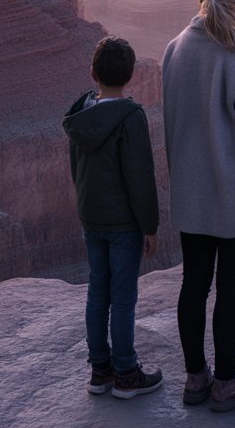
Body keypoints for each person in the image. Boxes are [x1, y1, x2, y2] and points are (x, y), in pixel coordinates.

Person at [162, 0, 235, 412]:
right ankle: (226, 384)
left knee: (193, 284)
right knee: (230, 291)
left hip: (190, 192)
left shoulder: (174, 49)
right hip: (233, 197)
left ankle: (195, 378)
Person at [63, 35, 162, 399]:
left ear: (93, 73)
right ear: (131, 76)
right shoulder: (130, 116)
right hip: (123, 225)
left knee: (97, 292)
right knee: (122, 297)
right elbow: (140, 177)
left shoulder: (81, 113)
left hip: (92, 219)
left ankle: (99, 370)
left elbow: (77, 169)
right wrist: (149, 225)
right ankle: (125, 372)